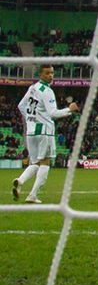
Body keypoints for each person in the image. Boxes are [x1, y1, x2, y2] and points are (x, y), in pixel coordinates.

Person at [12, 65, 78, 203]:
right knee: (46, 163)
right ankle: (33, 195)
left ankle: (20, 180)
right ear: (40, 74)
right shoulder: (47, 91)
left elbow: (21, 106)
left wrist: (31, 120)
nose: (51, 76)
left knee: (35, 162)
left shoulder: (32, 88)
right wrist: (69, 109)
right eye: (47, 73)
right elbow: (53, 113)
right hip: (44, 132)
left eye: (52, 73)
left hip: (31, 132)